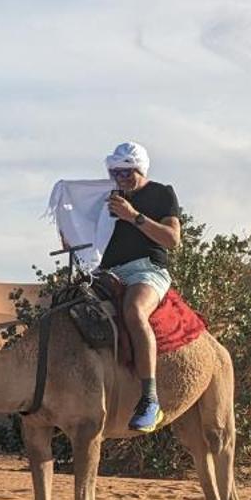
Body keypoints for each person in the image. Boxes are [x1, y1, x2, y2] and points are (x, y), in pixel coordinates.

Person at [98, 141, 181, 434]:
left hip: (146, 271)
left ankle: (150, 399)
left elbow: (172, 240)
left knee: (134, 311)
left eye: (127, 172)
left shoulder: (161, 194)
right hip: (104, 273)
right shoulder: (106, 197)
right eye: (116, 172)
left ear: (140, 169)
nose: (121, 178)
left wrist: (133, 216)